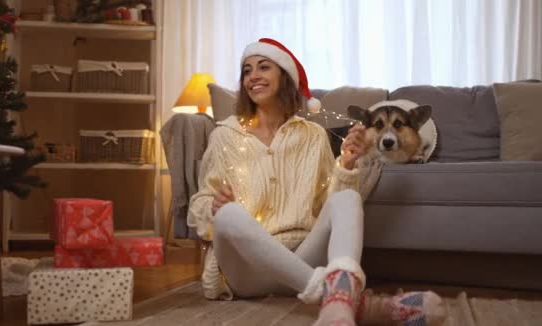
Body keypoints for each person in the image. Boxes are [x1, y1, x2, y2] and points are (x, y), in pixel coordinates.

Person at [187, 38, 446, 326]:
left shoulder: (312, 134)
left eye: (263, 67)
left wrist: (346, 164)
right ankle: (353, 302)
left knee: (347, 198)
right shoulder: (224, 136)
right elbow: (198, 204)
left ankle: (336, 305)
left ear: (284, 76)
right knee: (229, 214)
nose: (253, 76)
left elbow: (328, 204)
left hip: (305, 258)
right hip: (247, 272)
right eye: (246, 71)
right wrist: (212, 206)